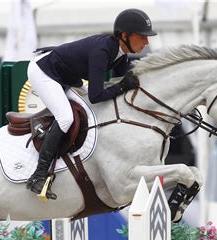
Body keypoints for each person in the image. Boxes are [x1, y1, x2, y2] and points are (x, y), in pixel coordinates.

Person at [26, 8, 157, 199]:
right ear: (124, 36)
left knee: (92, 111)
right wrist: (122, 87)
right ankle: (38, 176)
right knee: (65, 118)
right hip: (44, 71)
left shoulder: (121, 54)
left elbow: (120, 86)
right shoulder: (102, 50)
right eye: (142, 37)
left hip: (67, 76)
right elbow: (97, 95)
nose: (147, 42)